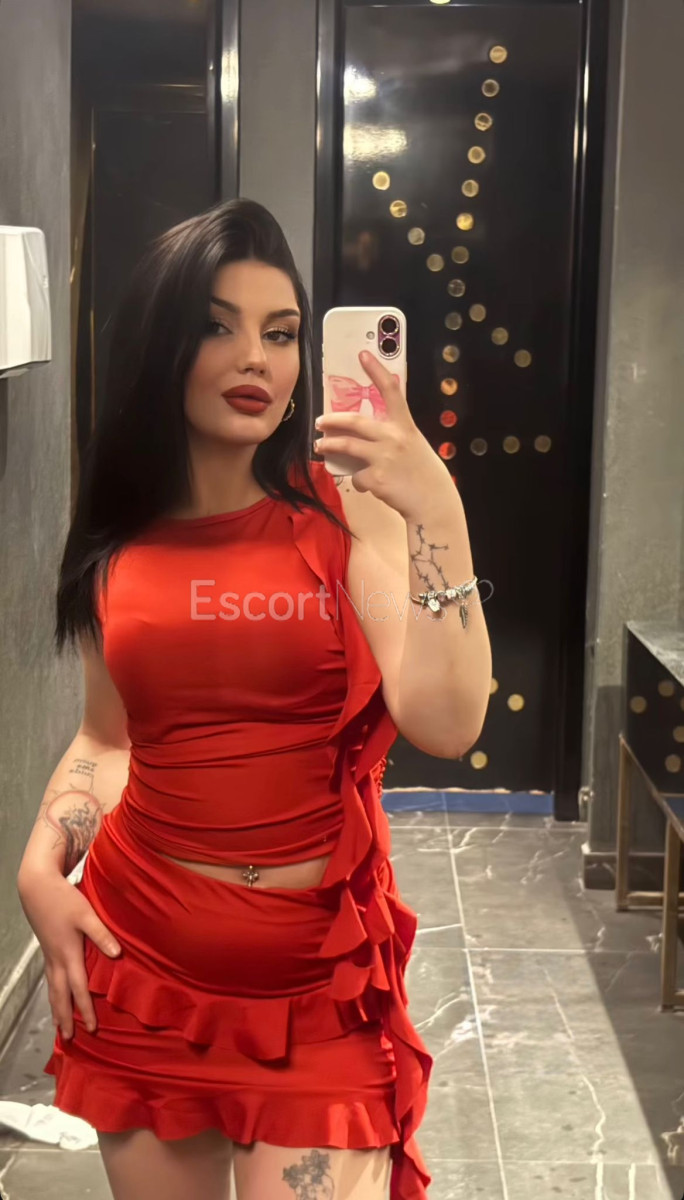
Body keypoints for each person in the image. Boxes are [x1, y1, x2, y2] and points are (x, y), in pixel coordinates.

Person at [16, 198, 492, 1200]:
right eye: (217, 326)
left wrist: (436, 509)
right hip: (145, 971)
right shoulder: (116, 542)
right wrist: (39, 865)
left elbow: (448, 724)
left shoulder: (346, 516)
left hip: (316, 986)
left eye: (280, 333)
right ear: (161, 344)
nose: (256, 359)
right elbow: (107, 739)